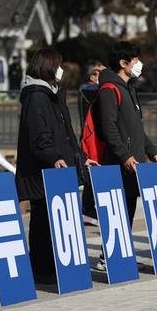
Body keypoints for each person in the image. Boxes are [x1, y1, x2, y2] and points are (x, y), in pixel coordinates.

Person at [15, 48, 97, 284]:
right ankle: (41, 270)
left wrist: (79, 159)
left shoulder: (52, 93)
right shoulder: (36, 95)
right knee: (42, 221)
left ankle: (51, 267)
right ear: (49, 66)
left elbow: (66, 135)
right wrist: (53, 158)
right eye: (59, 64)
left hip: (56, 169)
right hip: (42, 172)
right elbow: (39, 136)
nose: (62, 69)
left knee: (51, 222)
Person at [93, 41, 157, 270]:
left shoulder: (128, 88)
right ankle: (108, 256)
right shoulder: (109, 90)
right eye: (135, 60)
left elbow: (136, 128)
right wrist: (124, 155)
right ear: (123, 63)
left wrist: (152, 152)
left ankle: (120, 251)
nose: (139, 64)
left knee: (128, 207)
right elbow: (109, 127)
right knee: (117, 210)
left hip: (135, 161)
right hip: (119, 162)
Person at [78, 59, 106, 226]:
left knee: (95, 171)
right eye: (99, 73)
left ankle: (90, 208)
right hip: (90, 136)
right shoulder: (88, 89)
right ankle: (88, 209)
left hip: (95, 135)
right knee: (92, 170)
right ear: (92, 75)